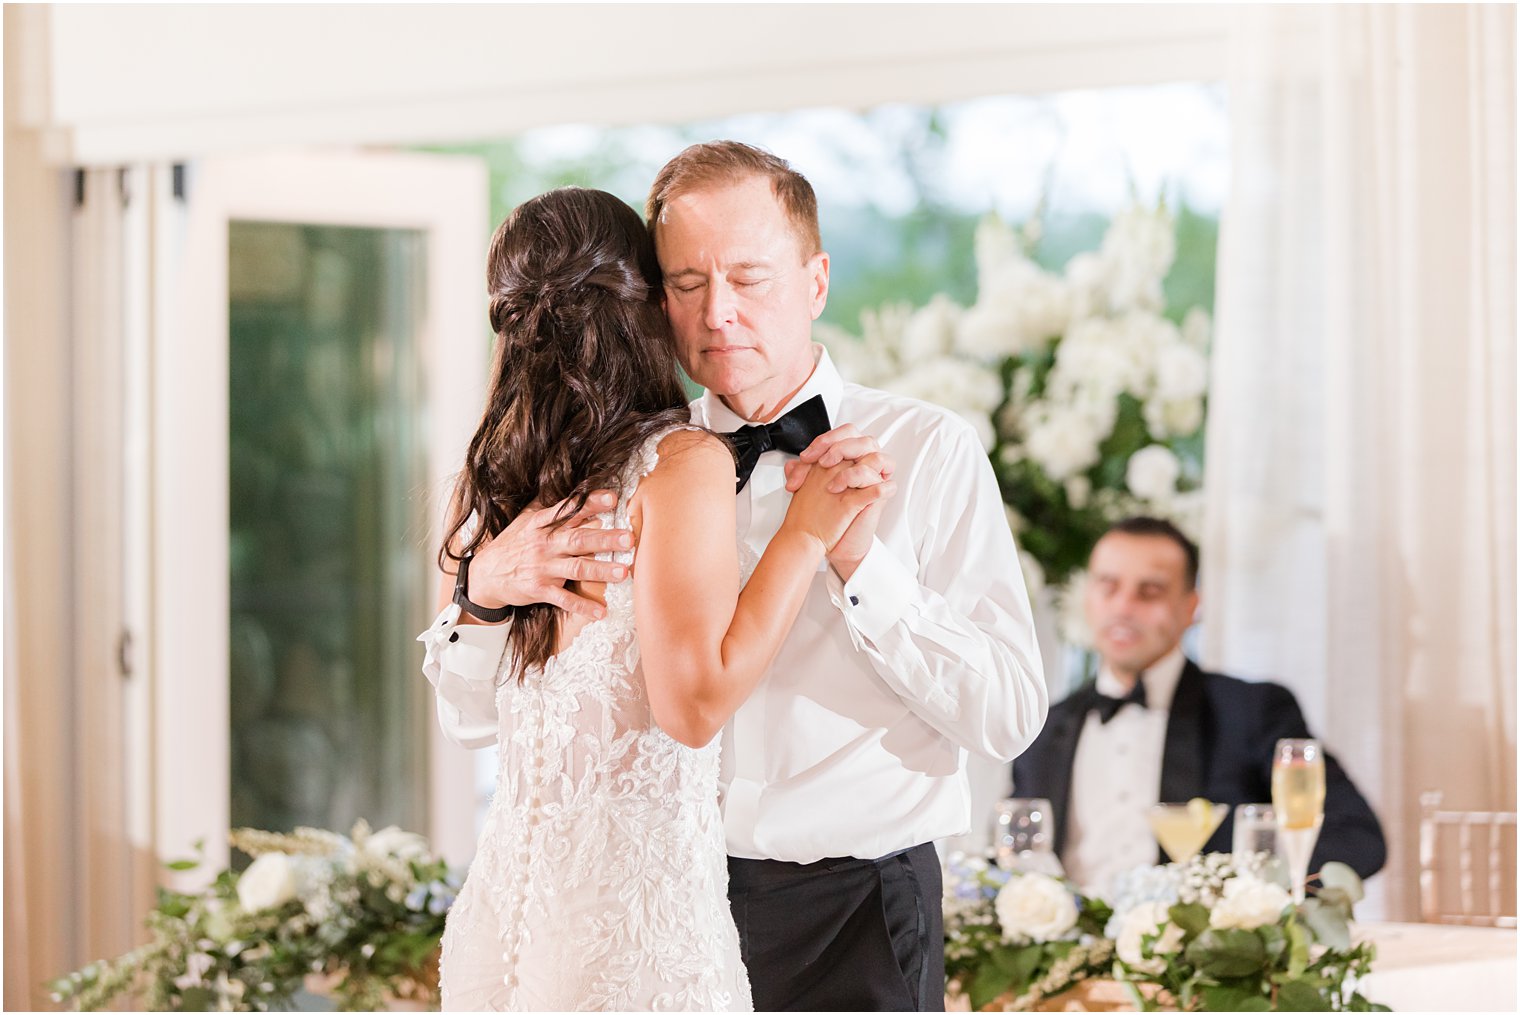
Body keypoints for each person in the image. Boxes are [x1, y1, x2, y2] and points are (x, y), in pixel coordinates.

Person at [426, 142, 1048, 1011]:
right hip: (667, 905)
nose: (719, 313)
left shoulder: (928, 450)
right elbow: (473, 716)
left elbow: (1009, 714)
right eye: (686, 282)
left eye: (750, 278)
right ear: (651, 299)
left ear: (816, 281)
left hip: (857, 911)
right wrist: (482, 590)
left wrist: (859, 562)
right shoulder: (626, 460)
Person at [1010, 517, 1386, 894]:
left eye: (1149, 592)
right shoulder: (1042, 725)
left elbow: (1357, 836)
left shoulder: (1253, 710)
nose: (1123, 607)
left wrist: (1246, 899)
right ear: (1088, 599)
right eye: (1108, 588)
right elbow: (1014, 859)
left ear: (1191, 607)